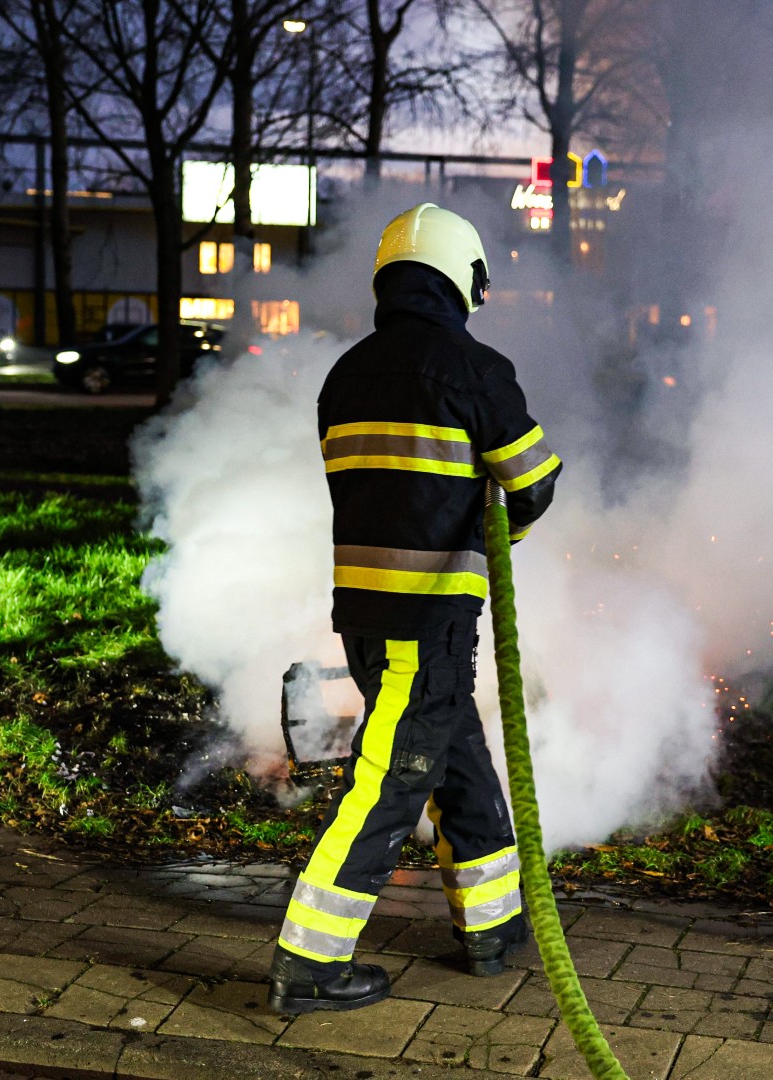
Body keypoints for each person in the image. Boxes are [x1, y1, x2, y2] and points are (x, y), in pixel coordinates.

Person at [268, 203, 562, 1015]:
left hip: (364, 617)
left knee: (455, 757)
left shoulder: (346, 375)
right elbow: (533, 480)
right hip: (426, 620)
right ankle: (310, 961)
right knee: (393, 782)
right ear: (461, 277)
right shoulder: (472, 368)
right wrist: (497, 523)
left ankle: (492, 926)